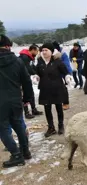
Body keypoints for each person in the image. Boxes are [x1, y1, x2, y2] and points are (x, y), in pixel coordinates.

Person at [0, 35, 33, 168]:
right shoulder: (17, 61)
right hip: (15, 99)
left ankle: (16, 154)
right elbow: (27, 81)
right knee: (19, 125)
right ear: (8, 46)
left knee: (2, 129)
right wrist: (27, 99)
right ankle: (25, 151)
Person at [32, 43, 70, 137]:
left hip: (57, 88)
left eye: (46, 50)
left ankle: (61, 125)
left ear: (51, 51)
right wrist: (36, 77)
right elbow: (37, 73)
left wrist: (67, 77)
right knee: (47, 109)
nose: (44, 52)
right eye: (42, 50)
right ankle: (51, 127)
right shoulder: (40, 62)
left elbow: (65, 72)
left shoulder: (57, 61)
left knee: (58, 108)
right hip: (45, 89)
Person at [18, 44, 43, 118]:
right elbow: (27, 69)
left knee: (31, 94)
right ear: (33, 50)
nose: (37, 52)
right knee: (25, 96)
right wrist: (35, 74)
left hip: (27, 79)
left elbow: (32, 67)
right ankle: (26, 112)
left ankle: (33, 109)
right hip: (22, 80)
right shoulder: (24, 57)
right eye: (37, 51)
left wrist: (38, 73)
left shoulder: (29, 57)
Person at [52, 41, 72, 110]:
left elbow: (66, 64)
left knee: (63, 89)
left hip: (64, 74)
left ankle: (66, 103)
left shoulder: (63, 54)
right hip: (56, 74)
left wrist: (68, 74)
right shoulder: (52, 54)